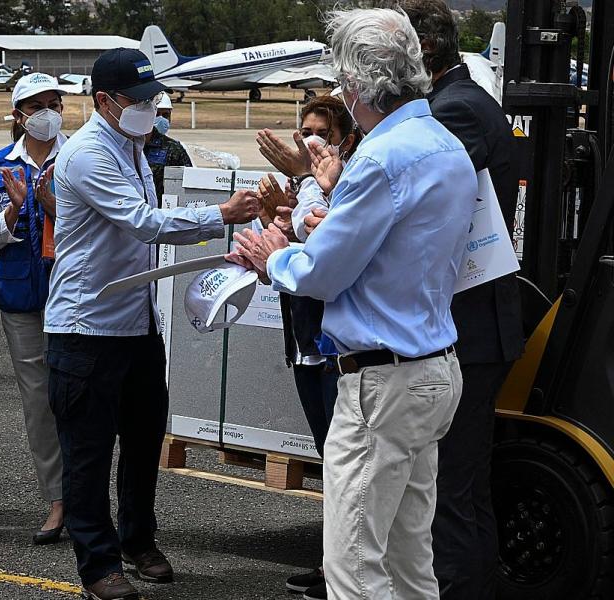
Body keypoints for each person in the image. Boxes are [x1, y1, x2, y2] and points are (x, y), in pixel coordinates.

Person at [229, 8, 476, 599]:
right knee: (410, 562)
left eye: (342, 83)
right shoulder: (443, 144)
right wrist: (326, 228)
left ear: (360, 86)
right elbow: (400, 250)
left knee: (355, 570)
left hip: (381, 383)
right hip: (432, 366)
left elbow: (321, 274)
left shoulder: (381, 157)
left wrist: (277, 255)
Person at [45, 47, 260, 600]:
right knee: (87, 455)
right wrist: (222, 216)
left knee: (142, 444)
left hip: (137, 323)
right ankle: (98, 566)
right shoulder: (88, 153)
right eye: (137, 99)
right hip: (85, 328)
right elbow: (143, 223)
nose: (149, 107)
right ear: (103, 102)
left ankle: (139, 539)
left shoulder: (134, 146)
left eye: (152, 97)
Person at [400, 2, 525, 598]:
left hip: (469, 329)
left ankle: (459, 588)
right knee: (464, 485)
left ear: (421, 49)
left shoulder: (454, 112)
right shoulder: (469, 102)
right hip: (478, 325)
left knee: (448, 488)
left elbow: (410, 198)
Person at [256, 95, 359, 600]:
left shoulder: (345, 182)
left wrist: (299, 198)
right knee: (328, 454)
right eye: (304, 129)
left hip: (332, 343)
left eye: (320, 130)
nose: (309, 138)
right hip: (301, 334)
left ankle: (339, 569)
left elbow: (317, 240)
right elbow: (286, 238)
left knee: (343, 459)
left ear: (343, 137)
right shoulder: (305, 186)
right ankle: (330, 561)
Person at [0, 72, 66, 545]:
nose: (48, 113)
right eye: (37, 106)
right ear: (18, 116)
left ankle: (85, 495)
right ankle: (57, 498)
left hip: (73, 294)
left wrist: (52, 203)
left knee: (77, 396)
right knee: (38, 402)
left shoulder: (78, 156)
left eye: (55, 103)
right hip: (21, 296)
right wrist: (14, 210)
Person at [143, 92, 192, 199]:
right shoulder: (128, 144)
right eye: (157, 114)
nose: (161, 120)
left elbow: (189, 184)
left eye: (166, 115)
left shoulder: (174, 149)